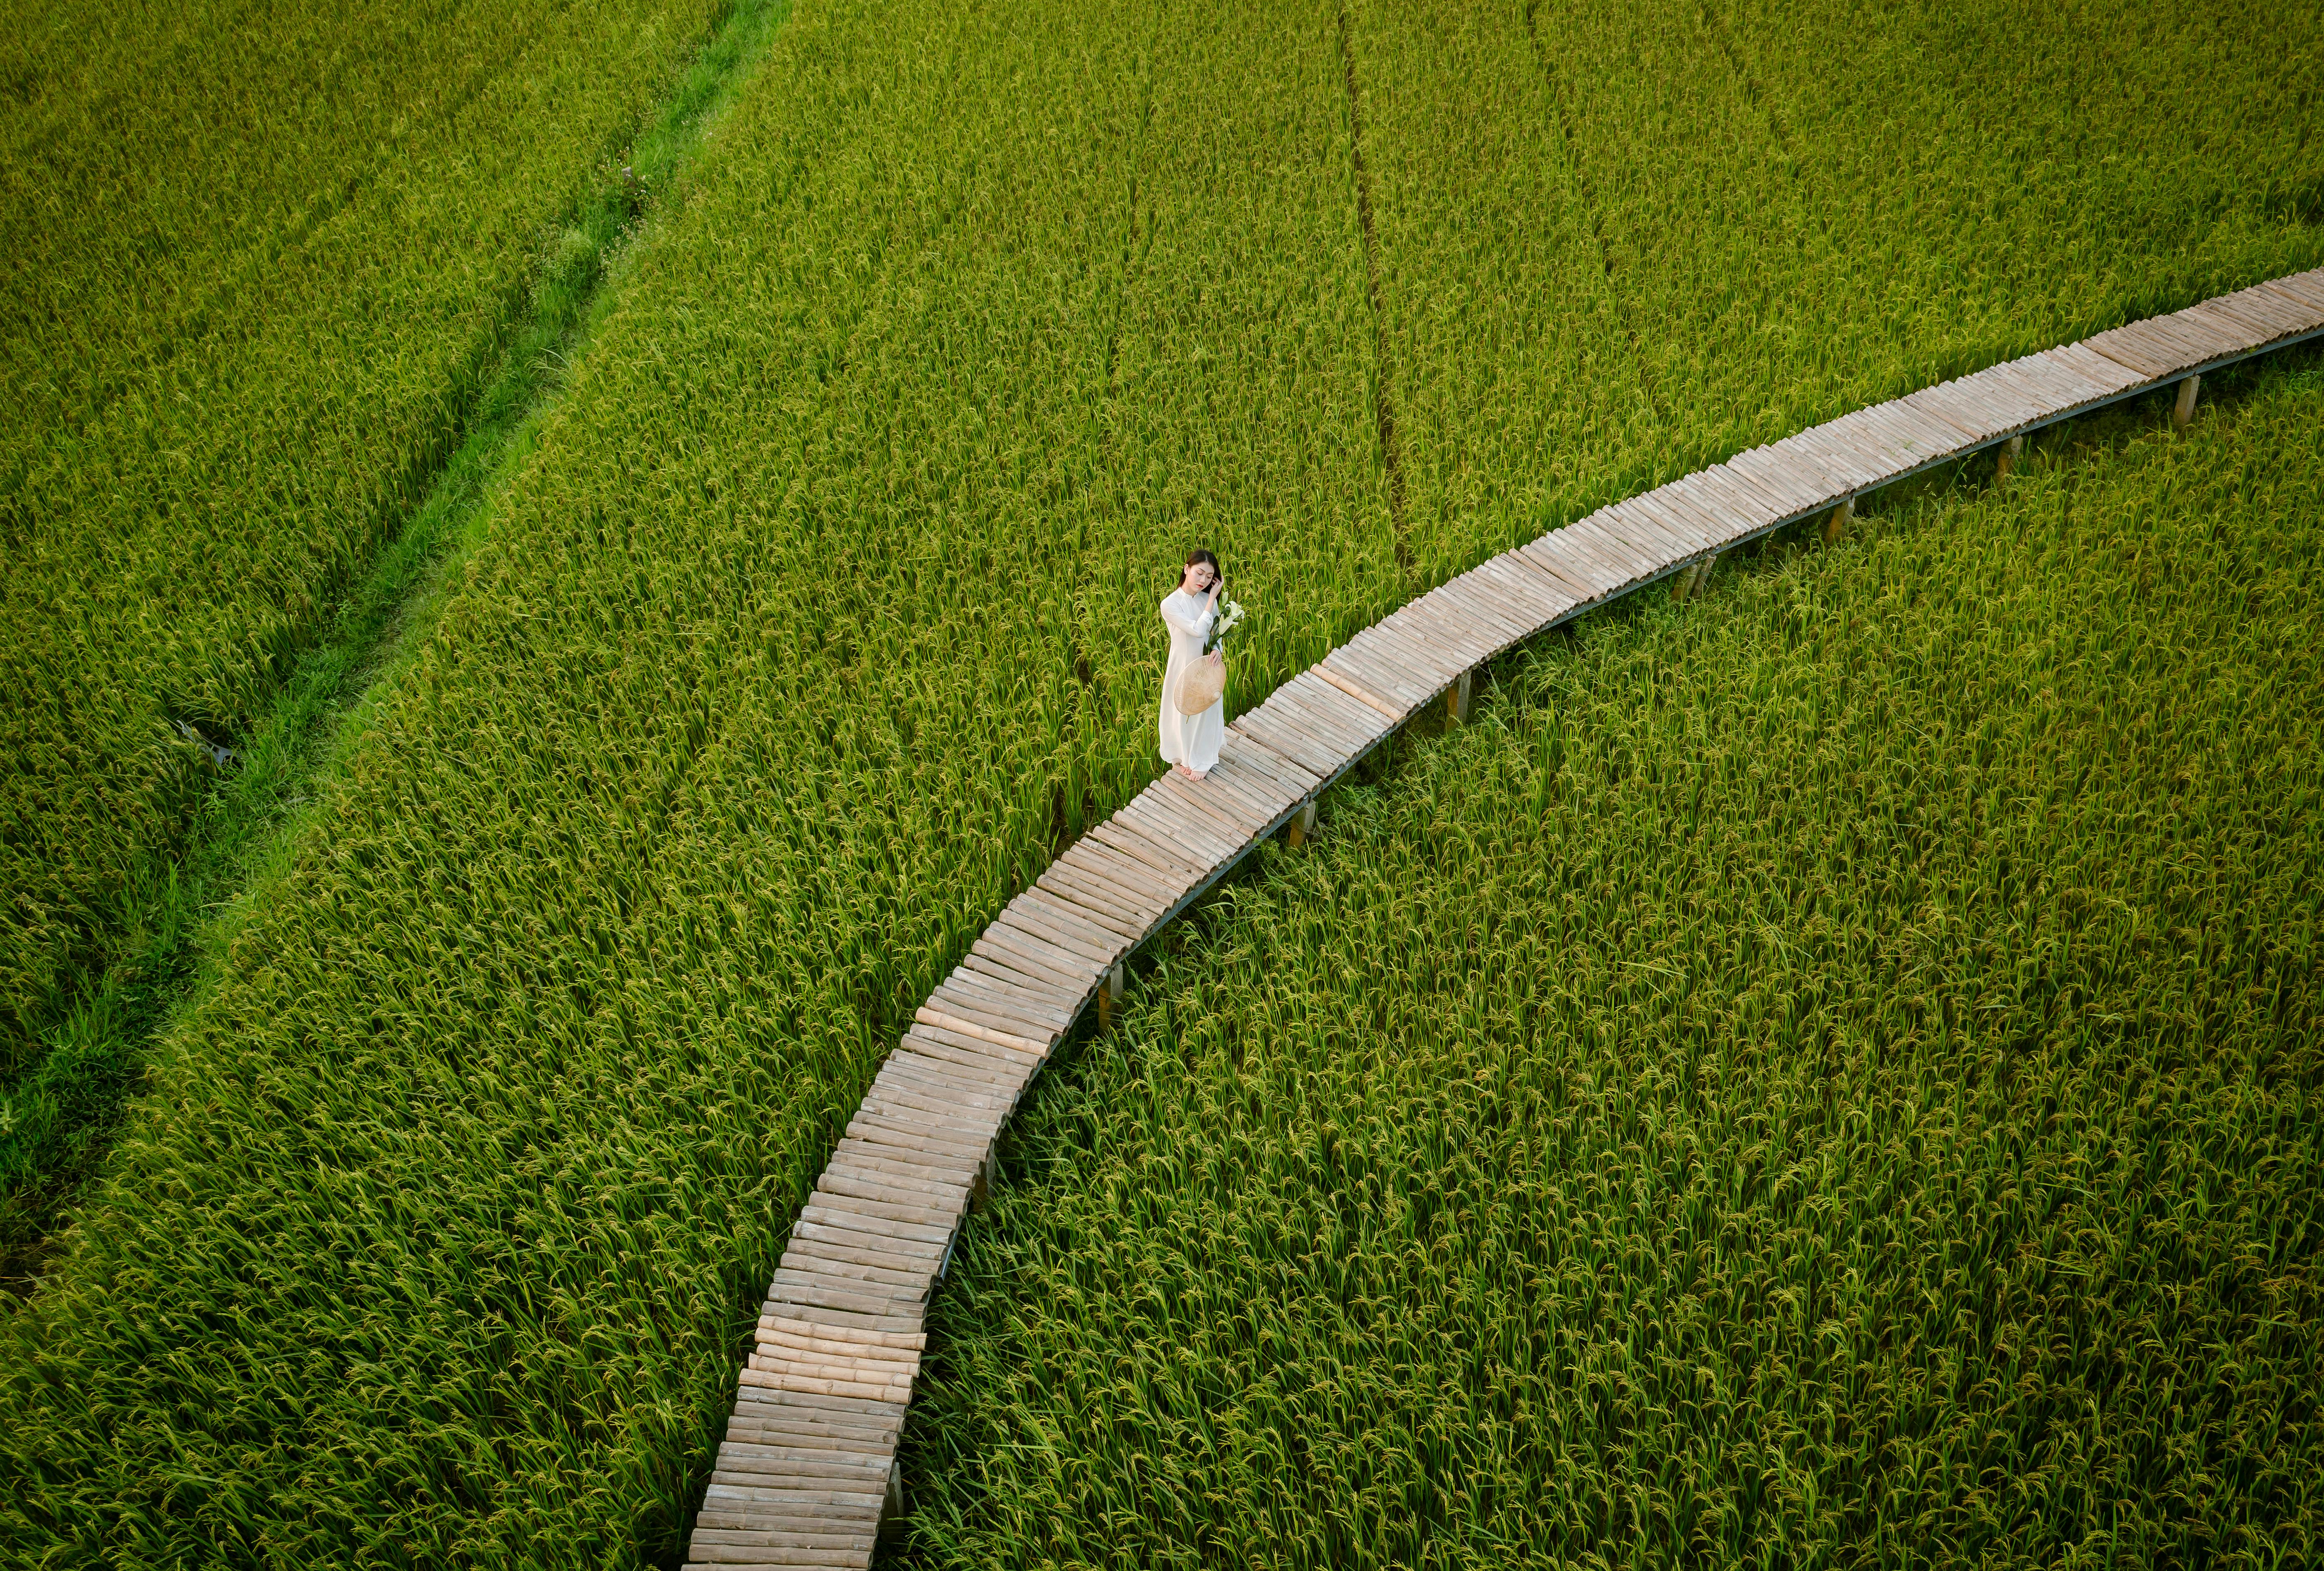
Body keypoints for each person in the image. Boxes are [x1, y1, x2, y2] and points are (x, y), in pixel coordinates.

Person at [1159, 549, 1226, 780]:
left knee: (1206, 711)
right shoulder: (1170, 604)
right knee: (1181, 713)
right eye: (1199, 573)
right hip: (1183, 665)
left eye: (1210, 577)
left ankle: (1203, 759)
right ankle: (1184, 758)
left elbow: (1216, 634)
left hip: (1207, 667)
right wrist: (1211, 599)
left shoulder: (1208, 601)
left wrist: (1217, 651)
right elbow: (1197, 631)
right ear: (1187, 569)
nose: (1203, 581)